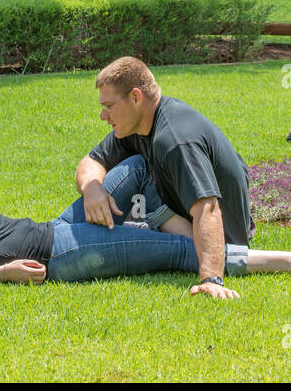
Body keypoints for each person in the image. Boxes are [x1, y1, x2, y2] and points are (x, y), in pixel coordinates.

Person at [0, 119, 291, 295]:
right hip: (58, 256)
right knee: (179, 255)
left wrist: (92, 190)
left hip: (58, 229)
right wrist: (7, 273)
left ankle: (173, 227)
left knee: (137, 165)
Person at [74, 56, 258, 299]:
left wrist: (211, 278)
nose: (103, 116)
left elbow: (207, 207)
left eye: (108, 106)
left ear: (135, 98)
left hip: (219, 243)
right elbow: (92, 161)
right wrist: (92, 188)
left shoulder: (174, 139)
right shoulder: (138, 124)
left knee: (102, 247)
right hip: (181, 223)